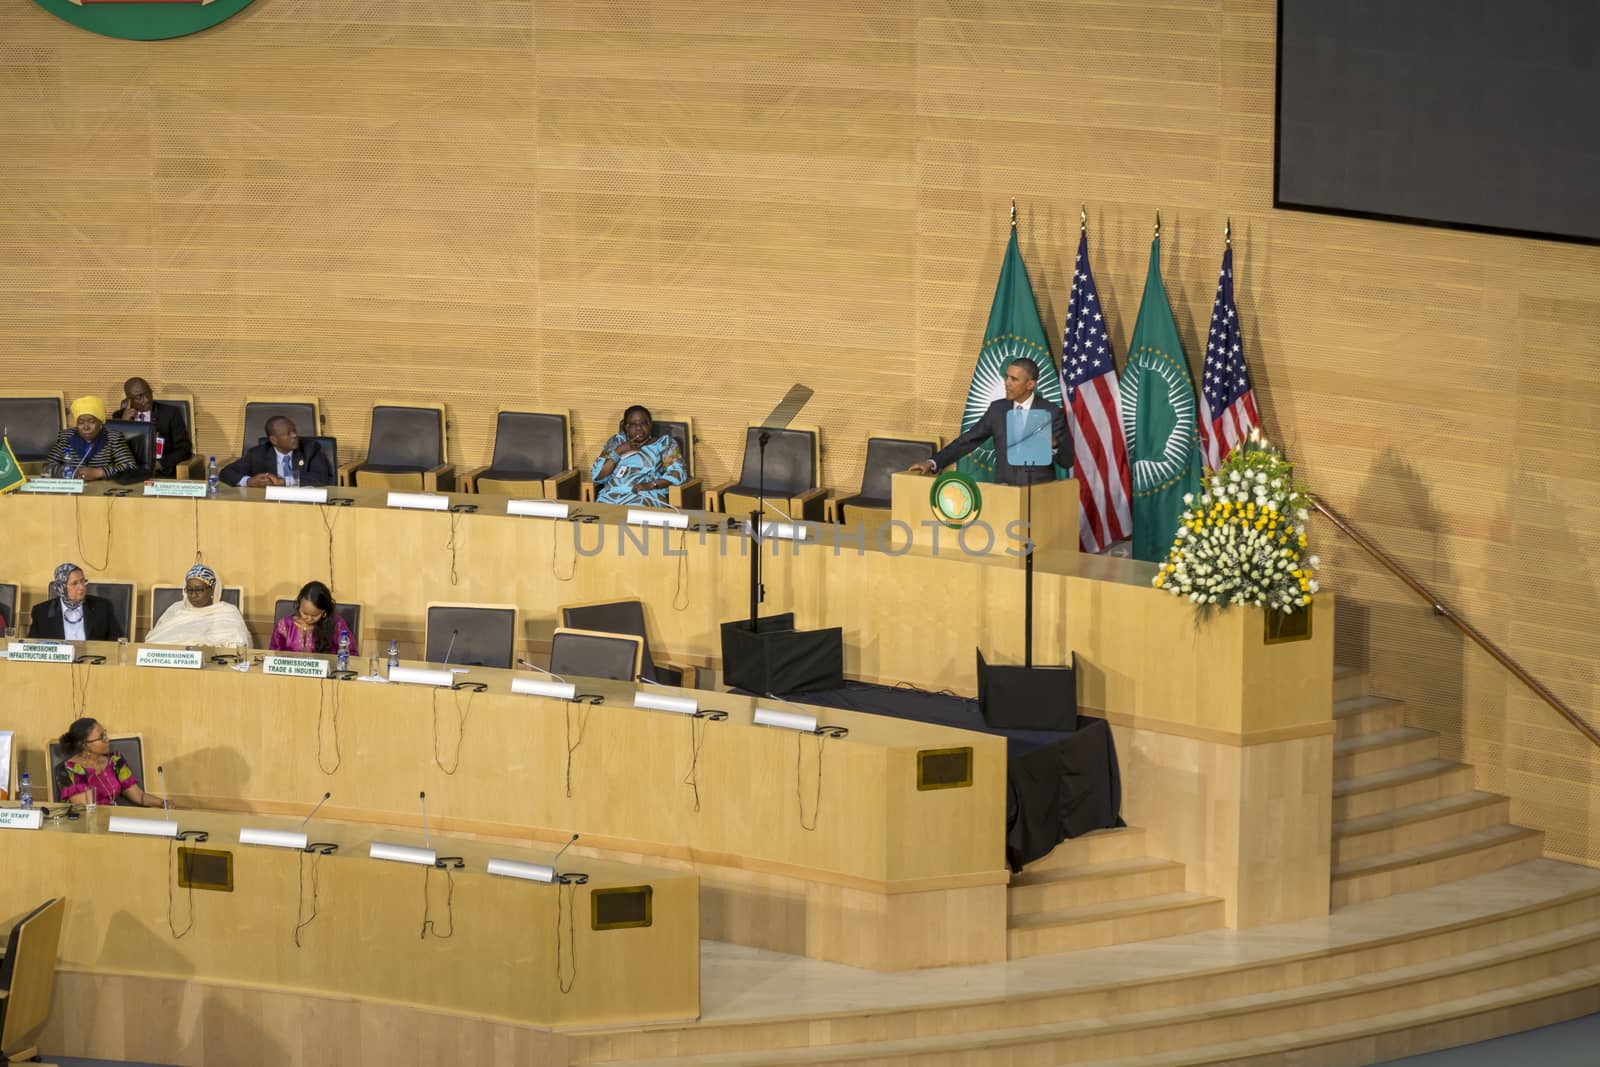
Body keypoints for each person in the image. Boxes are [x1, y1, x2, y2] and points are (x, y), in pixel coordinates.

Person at [908, 357, 1073, 486]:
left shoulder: (1050, 412)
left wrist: (1053, 444)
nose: (1007, 383)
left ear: (1030, 384)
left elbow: (1066, 461)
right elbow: (967, 441)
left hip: (1039, 496)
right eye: (1006, 377)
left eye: (1014, 379)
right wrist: (933, 462)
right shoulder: (997, 410)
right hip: (1004, 493)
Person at [590, 405, 687, 507]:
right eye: (633, 424)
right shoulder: (617, 441)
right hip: (611, 496)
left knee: (633, 514)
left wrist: (652, 485)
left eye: (643, 423)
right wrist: (618, 452)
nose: (639, 428)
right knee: (598, 516)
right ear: (627, 427)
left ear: (650, 425)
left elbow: (678, 473)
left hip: (644, 494)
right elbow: (598, 476)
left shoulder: (663, 443)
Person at [56, 718, 163, 809]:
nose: (108, 739)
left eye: (105, 734)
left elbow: (140, 797)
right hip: (89, 826)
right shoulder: (68, 771)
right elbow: (87, 809)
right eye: (102, 737)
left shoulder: (115, 761)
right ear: (85, 745)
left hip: (115, 821)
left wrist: (163, 803)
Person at [145, 564, 253, 648]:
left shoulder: (228, 612)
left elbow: (239, 646)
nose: (193, 595)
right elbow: (152, 641)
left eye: (199, 590)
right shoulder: (176, 610)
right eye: (189, 590)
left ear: (211, 590)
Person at [41, 396, 142, 483]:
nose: (86, 427)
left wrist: (98, 472)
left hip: (103, 491)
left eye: (91, 422)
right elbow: (47, 468)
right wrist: (71, 472)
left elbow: (129, 466)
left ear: (101, 424)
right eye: (81, 422)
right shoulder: (67, 437)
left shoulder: (113, 438)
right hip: (72, 492)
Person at [219, 415, 335, 488]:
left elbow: (321, 477)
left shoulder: (310, 448)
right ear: (274, 440)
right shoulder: (258, 454)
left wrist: (283, 481)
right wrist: (249, 482)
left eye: (294, 430)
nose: (294, 435)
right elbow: (226, 472)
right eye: (288, 433)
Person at [112, 377, 194, 478]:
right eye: (139, 397)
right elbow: (112, 449)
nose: (146, 399)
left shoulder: (170, 413)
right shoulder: (118, 417)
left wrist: (160, 464)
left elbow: (184, 449)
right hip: (129, 473)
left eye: (148, 393)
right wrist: (123, 425)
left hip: (160, 473)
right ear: (129, 400)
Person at [29, 563, 124, 641]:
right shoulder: (41, 613)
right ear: (61, 587)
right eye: (75, 583)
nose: (82, 587)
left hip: (94, 661)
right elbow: (31, 646)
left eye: (83, 581)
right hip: (58, 663)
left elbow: (116, 640)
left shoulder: (102, 607)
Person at [269, 580, 356, 655]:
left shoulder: (337, 625)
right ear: (299, 605)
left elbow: (351, 655)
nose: (309, 619)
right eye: (305, 613)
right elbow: (273, 655)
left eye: (315, 615)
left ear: (324, 612)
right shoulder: (284, 626)